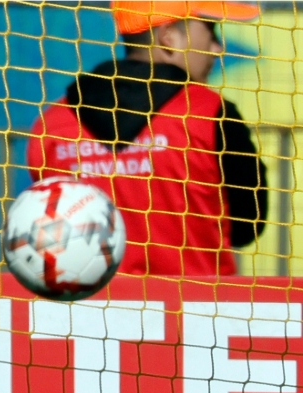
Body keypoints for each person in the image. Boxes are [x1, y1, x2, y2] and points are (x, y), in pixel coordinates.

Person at [28, 0, 267, 276]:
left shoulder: (54, 122)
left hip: (86, 309)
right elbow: (248, 225)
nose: (218, 47)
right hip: (195, 309)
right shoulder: (210, 113)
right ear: (169, 38)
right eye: (211, 31)